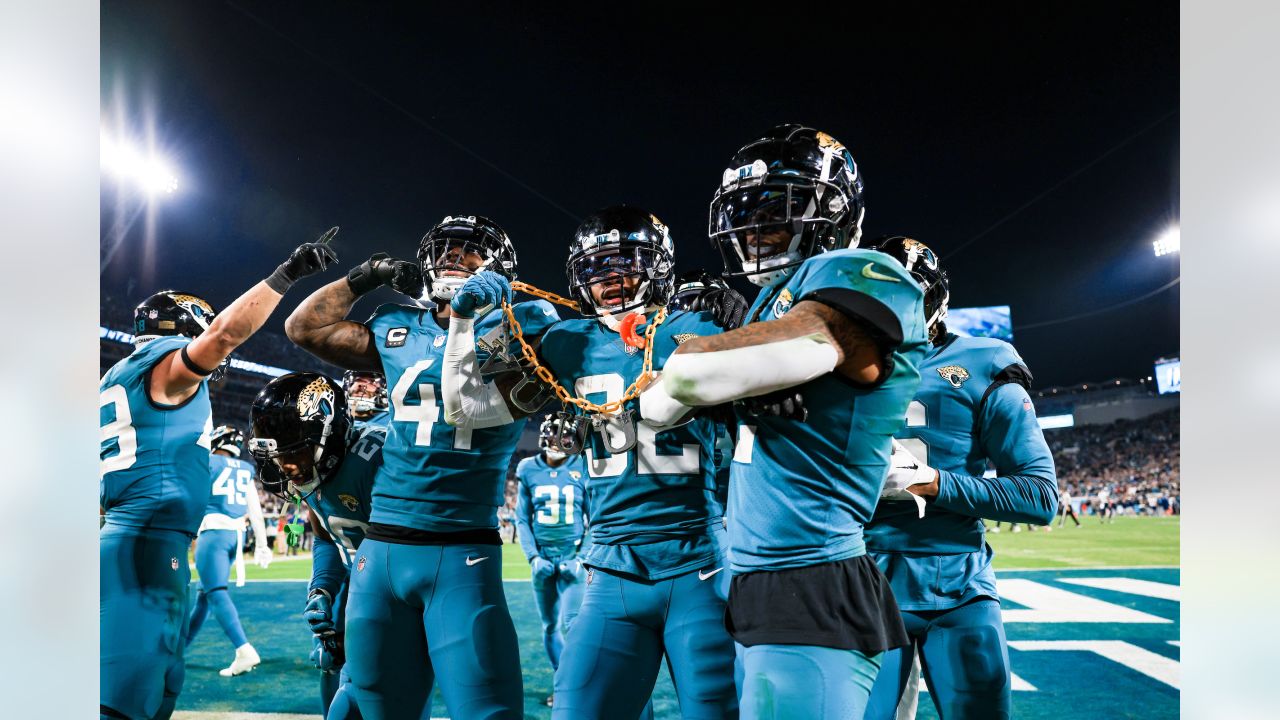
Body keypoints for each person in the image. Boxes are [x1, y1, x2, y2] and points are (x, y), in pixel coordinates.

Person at [641, 124, 927, 719]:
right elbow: (654, 410)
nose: (754, 227)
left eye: (776, 208)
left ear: (831, 212)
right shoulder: (770, 304)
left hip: (814, 577)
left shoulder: (861, 270)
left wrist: (711, 359)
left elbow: (688, 379)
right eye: (743, 212)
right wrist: (732, 372)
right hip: (762, 579)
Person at [285, 215, 558, 719]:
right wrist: (365, 277)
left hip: (460, 548)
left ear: (499, 268)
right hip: (382, 549)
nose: (453, 258)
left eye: (468, 251)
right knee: (370, 709)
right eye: (445, 250)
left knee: (486, 710)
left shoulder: (523, 319)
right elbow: (303, 328)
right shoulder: (395, 324)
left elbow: (475, 401)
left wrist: (474, 314)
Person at [99, 232, 337, 720]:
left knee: (159, 687)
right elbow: (225, 334)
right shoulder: (160, 367)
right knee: (125, 701)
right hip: (144, 542)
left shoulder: (117, 375)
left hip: (145, 540)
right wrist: (284, 276)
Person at [860, 236, 1059, 720]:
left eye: (907, 297)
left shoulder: (981, 362)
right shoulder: (835, 366)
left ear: (934, 301)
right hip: (864, 583)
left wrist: (931, 482)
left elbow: (1039, 496)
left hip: (958, 584)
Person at [247, 372, 388, 720]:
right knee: (330, 657)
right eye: (278, 455)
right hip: (360, 581)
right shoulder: (313, 466)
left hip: (395, 586)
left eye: (295, 451)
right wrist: (322, 588)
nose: (286, 465)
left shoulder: (379, 456)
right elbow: (326, 533)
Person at [513, 416, 590, 707]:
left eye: (565, 437)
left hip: (571, 558)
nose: (558, 443)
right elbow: (522, 518)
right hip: (542, 559)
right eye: (553, 436)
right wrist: (533, 557)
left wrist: (582, 558)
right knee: (549, 626)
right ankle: (562, 682)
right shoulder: (527, 468)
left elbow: (594, 518)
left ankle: (575, 686)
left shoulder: (581, 466)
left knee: (573, 623)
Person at [184, 425, 273, 677]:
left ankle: (243, 649)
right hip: (235, 536)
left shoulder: (207, 462)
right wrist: (262, 545)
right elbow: (255, 511)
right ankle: (179, 649)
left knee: (215, 593)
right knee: (205, 596)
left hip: (213, 534)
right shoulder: (244, 469)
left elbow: (190, 500)